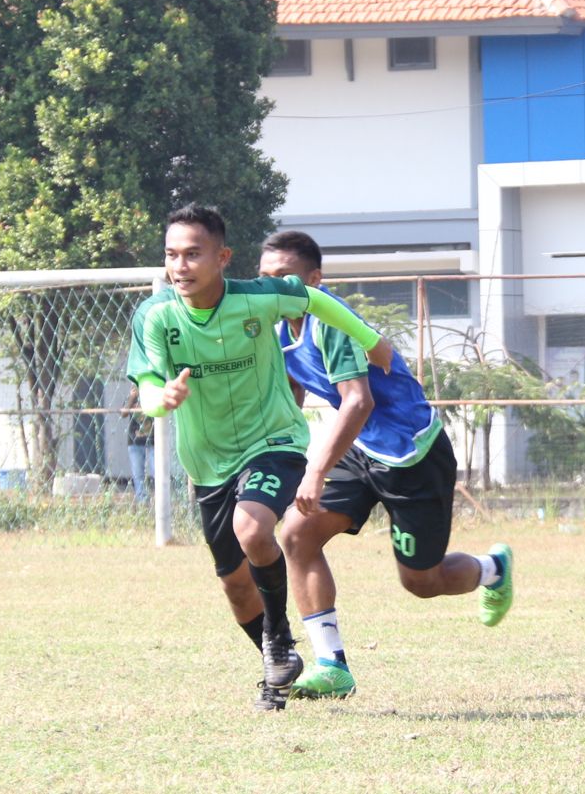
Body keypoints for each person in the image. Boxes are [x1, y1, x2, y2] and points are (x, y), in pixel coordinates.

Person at [127, 204, 393, 710]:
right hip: (207, 464)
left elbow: (315, 299)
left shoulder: (257, 297)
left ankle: (278, 638)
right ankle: (278, 668)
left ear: (222, 257)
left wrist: (369, 339)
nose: (180, 266)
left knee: (254, 530)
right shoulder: (156, 315)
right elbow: (146, 384)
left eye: (192, 254)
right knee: (235, 588)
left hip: (273, 443)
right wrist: (161, 399)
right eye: (171, 255)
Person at [258, 231, 513, 700]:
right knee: (297, 534)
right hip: (359, 450)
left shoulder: (329, 321)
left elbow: (358, 402)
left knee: (422, 582)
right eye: (265, 278)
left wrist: (314, 470)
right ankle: (331, 665)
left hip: (411, 454)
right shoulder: (278, 326)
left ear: (313, 280)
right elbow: (293, 390)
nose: (274, 289)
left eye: (285, 279)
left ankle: (492, 568)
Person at [124, 386, 155, 501]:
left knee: (156, 470)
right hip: (135, 441)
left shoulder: (153, 396)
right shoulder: (131, 399)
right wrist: (132, 397)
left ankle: (161, 498)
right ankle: (142, 500)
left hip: (153, 440)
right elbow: (123, 413)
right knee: (138, 473)